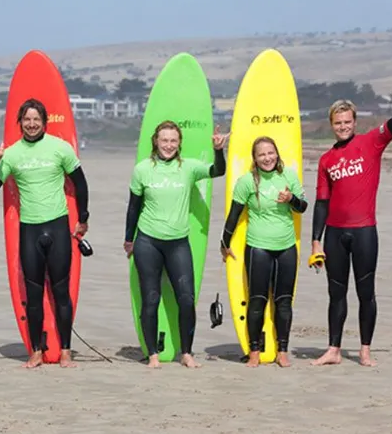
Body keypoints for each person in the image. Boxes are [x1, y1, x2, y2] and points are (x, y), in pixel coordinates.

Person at [309, 78, 392, 367]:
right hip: (334, 233)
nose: (343, 126)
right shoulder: (326, 160)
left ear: (355, 122)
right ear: (331, 124)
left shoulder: (372, 142)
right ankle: (333, 349)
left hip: (364, 232)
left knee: (365, 292)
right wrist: (315, 240)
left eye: (347, 121)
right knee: (336, 293)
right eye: (338, 122)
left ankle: (364, 349)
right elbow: (322, 203)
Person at [0, 98, 90, 369]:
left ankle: (65, 350)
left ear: (44, 122)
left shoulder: (60, 149)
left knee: (61, 291)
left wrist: (84, 218)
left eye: (36, 120)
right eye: (27, 120)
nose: (31, 124)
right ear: (20, 122)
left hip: (58, 227)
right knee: (33, 295)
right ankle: (36, 351)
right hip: (29, 229)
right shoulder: (13, 154)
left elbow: (80, 182)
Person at [123, 121, 228, 369]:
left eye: (173, 140)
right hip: (148, 241)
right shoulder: (142, 170)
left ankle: (187, 353)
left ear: (179, 143)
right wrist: (129, 239)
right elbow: (133, 207)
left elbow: (217, 171)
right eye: (164, 140)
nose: (168, 145)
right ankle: (152, 356)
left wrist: (218, 150)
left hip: (178, 243)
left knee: (186, 299)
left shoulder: (189, 168)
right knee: (150, 299)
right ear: (155, 142)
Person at [220, 136, 307, 368]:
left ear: (276, 153)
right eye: (262, 155)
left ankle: (282, 350)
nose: (267, 158)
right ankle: (255, 351)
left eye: (271, 153)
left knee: (284, 302)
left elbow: (303, 207)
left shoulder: (288, 176)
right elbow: (234, 214)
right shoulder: (247, 182)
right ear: (255, 158)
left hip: (286, 247)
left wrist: (291, 199)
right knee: (257, 301)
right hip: (258, 247)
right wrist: (224, 242)